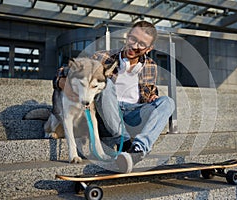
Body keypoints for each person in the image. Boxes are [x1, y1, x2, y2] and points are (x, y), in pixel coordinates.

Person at [54, 21, 175, 173]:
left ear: (149, 49)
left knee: (168, 102)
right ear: (127, 36)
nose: (134, 46)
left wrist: (152, 97)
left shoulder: (151, 66)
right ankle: (124, 143)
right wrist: (61, 80)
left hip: (133, 114)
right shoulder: (102, 57)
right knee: (106, 84)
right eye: (133, 39)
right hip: (108, 113)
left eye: (142, 44)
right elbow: (69, 69)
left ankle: (138, 149)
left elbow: (149, 91)